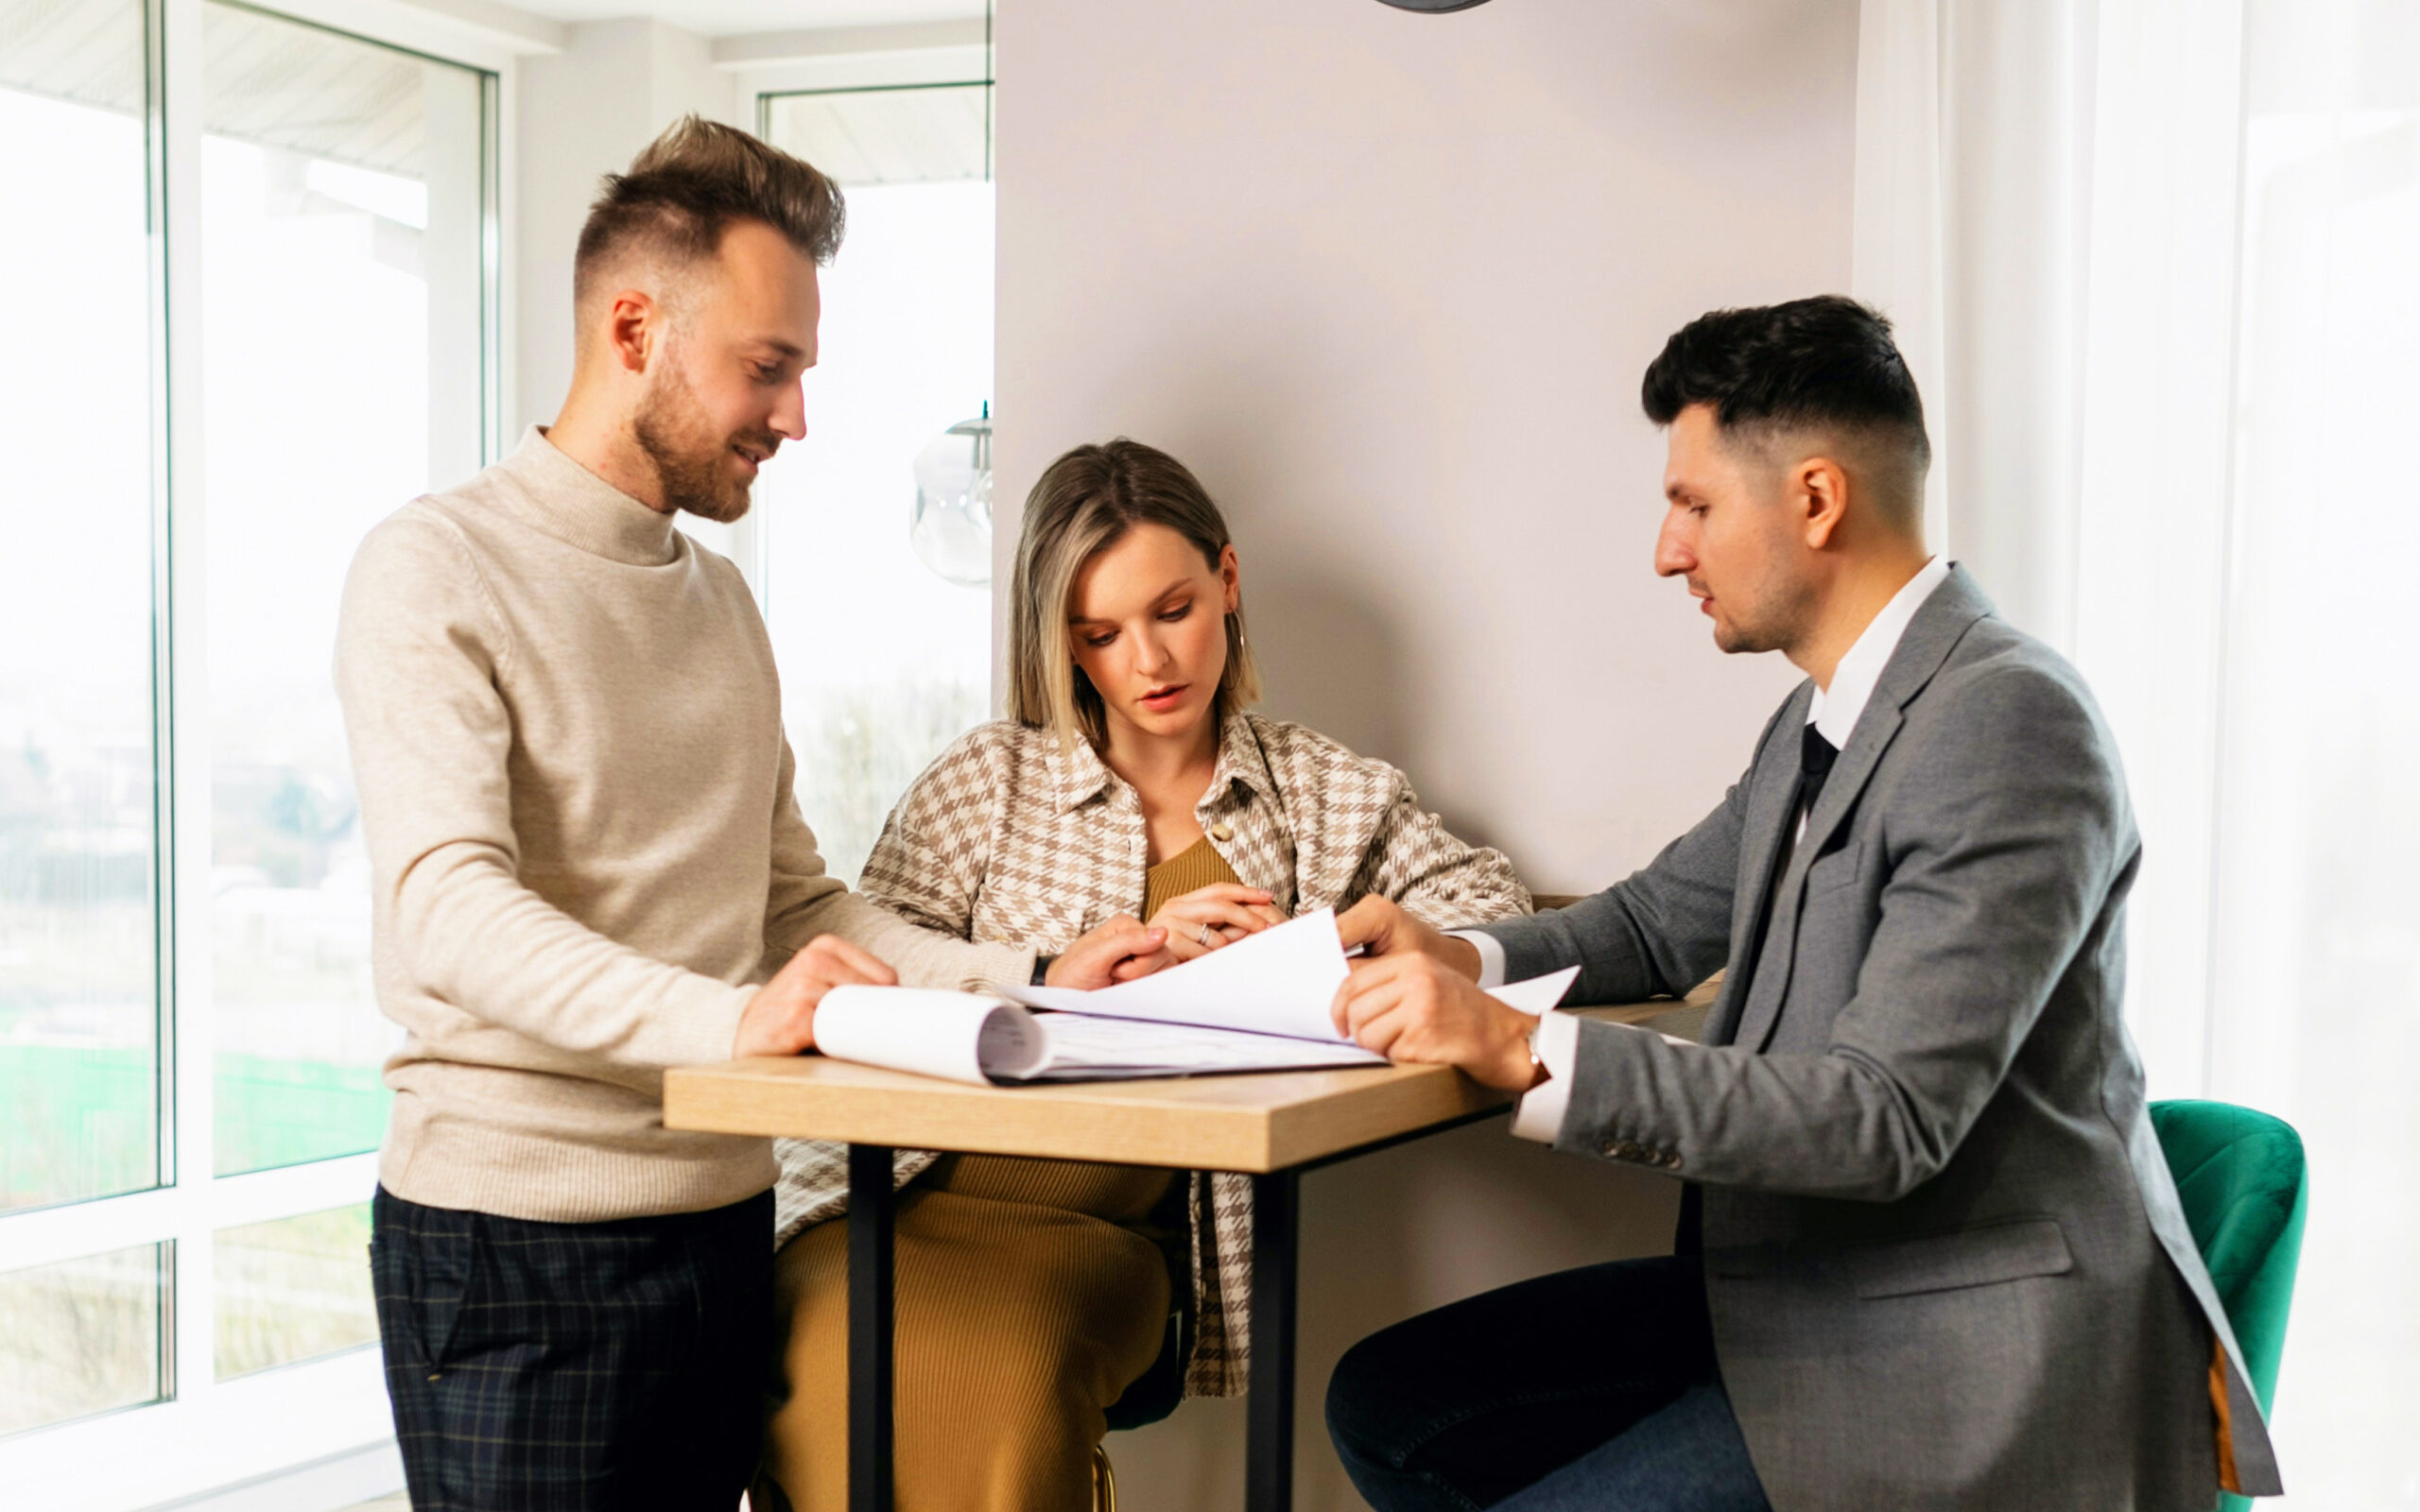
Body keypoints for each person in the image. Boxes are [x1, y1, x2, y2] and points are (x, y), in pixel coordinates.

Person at [1320, 296, 2284, 1510]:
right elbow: (1657, 921)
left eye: (1695, 505)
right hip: (1817, 1291)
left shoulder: (2009, 722)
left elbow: (1884, 1115)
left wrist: (1517, 1048)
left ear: (1815, 499)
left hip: (1962, 1361)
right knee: (1391, 1406)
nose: (1667, 550)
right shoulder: (1827, 713)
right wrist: (1459, 954)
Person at [336, 117, 1167, 1512]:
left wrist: (1031, 980)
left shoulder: (719, 604)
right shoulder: (435, 569)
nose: (794, 418)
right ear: (637, 326)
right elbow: (450, 915)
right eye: (767, 369)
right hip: (516, 1243)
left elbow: (791, 902)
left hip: (722, 1228)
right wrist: (737, 1025)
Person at [758, 438, 1532, 1512]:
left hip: (1120, 1234)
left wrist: (1295, 950)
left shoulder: (1323, 791)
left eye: (1171, 610)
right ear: (1062, 643)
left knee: (1009, 1364)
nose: (1148, 663)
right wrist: (1045, 981)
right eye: (1100, 634)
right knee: (842, 1347)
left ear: (1226, 582)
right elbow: (856, 974)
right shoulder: (986, 781)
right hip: (904, 1196)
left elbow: (1489, 907)